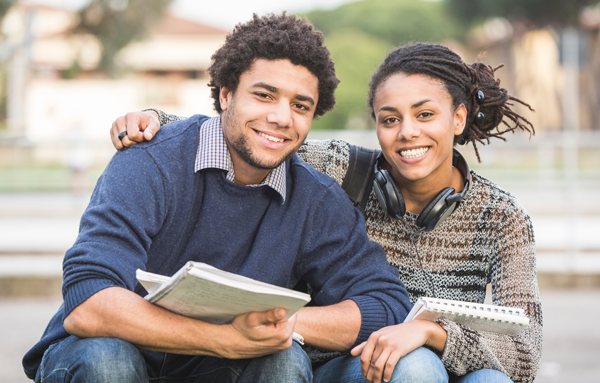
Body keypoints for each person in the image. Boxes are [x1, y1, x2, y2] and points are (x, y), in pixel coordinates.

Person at [112, 43, 543, 383]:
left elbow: (525, 349)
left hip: (446, 361)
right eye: (389, 119)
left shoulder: (503, 218)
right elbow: (260, 135)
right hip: (343, 364)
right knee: (415, 369)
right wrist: (153, 119)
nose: (407, 132)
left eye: (425, 115)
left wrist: (433, 334)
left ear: (458, 117)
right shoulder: (342, 168)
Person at [23, 14, 414, 383]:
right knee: (108, 357)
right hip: (107, 352)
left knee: (284, 356)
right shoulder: (149, 161)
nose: (282, 117)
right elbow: (88, 302)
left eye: (300, 106)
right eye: (264, 95)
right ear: (226, 94)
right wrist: (223, 337)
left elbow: (384, 302)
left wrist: (281, 324)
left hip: (222, 369)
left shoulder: (316, 199)